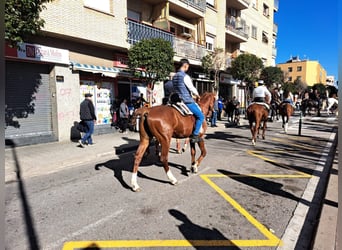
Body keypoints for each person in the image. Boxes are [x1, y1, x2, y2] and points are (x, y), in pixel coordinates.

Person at [172, 58, 204, 143]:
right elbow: (191, 88)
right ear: (185, 66)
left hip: (175, 100)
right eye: (188, 67)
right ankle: (195, 135)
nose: (188, 68)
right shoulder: (185, 76)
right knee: (201, 116)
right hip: (186, 101)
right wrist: (197, 95)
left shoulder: (174, 76)